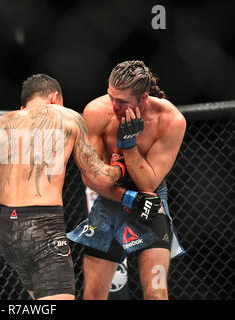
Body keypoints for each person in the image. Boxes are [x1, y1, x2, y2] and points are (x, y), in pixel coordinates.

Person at [0, 73, 161, 300]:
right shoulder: (67, 117)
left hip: (8, 231)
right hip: (44, 227)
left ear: (24, 104)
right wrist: (119, 167)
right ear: (55, 98)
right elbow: (99, 177)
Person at [67, 60, 186, 300]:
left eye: (122, 101)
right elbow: (92, 177)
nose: (114, 105)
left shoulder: (171, 120)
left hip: (150, 201)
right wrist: (127, 197)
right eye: (111, 96)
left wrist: (128, 145)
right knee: (94, 296)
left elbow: (148, 183)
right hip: (110, 200)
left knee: (156, 294)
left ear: (143, 98)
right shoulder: (96, 112)